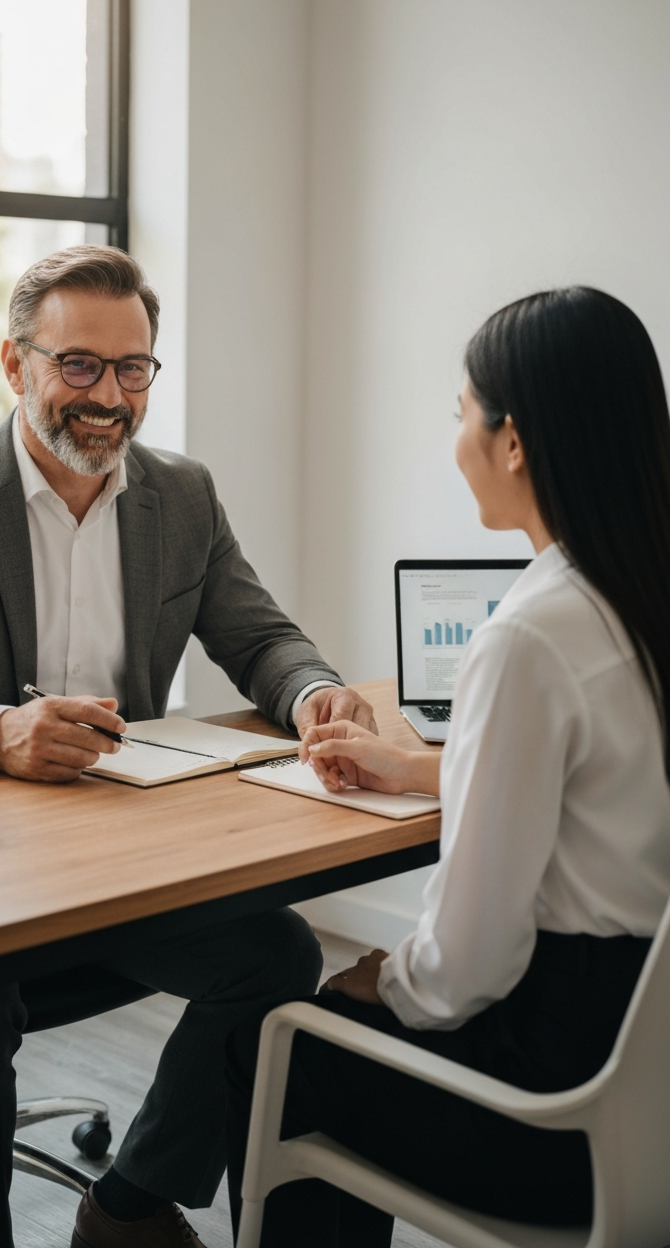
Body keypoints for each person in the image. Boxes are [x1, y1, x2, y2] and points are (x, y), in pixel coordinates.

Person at [0, 245, 376, 1248]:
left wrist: (316, 693)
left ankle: (129, 1201)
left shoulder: (180, 495)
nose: (107, 396)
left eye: (132, 368)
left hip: (108, 859)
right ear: (14, 362)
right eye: (77, 365)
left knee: (275, 951)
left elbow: (260, 636)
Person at [226, 286, 670, 1246]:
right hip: (655, 1083)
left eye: (462, 415)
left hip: (562, 1110)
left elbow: (468, 965)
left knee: (288, 1043)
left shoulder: (531, 635)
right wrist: (424, 769)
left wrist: (382, 984)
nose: (457, 442)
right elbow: (612, 789)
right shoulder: (638, 599)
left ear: (515, 441)